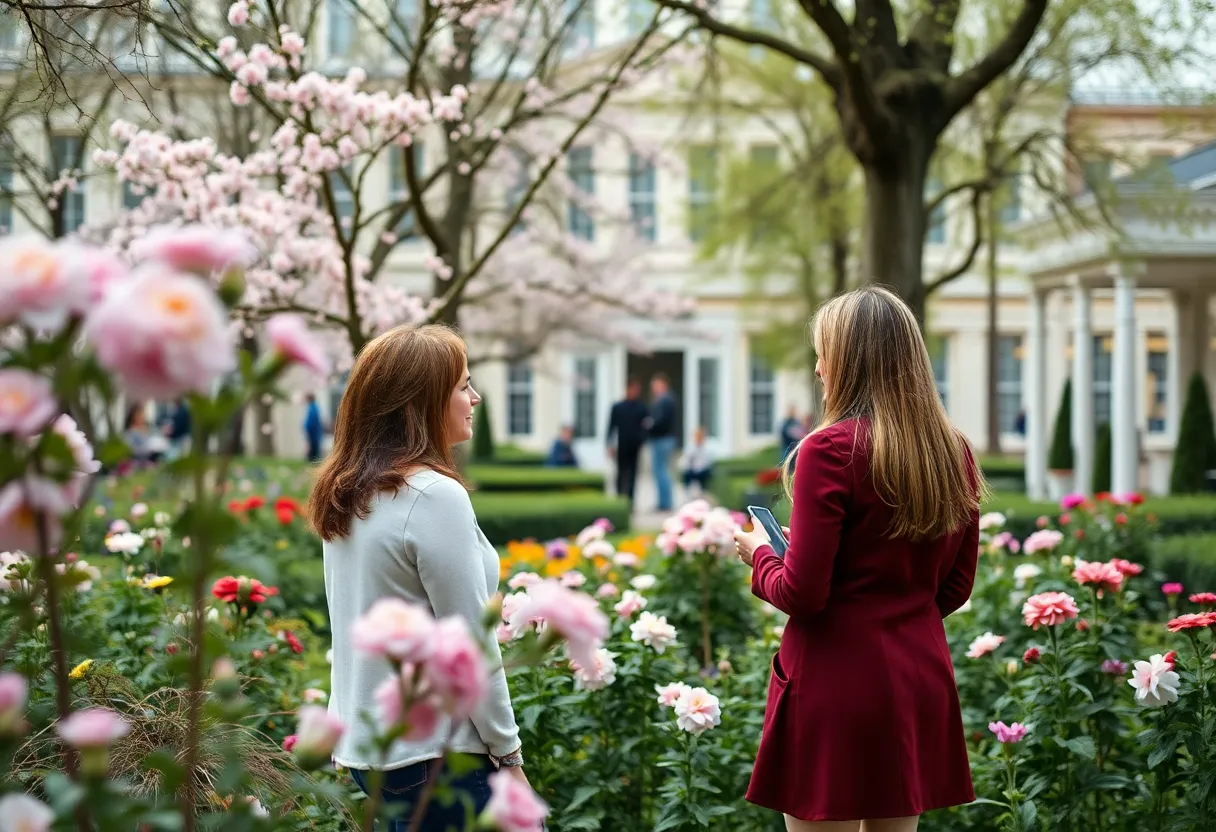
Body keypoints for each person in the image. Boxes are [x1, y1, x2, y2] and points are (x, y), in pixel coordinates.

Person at [733, 286, 982, 832]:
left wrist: (760, 555)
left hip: (833, 680)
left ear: (850, 360)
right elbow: (956, 586)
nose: (819, 367)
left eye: (825, 352)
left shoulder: (830, 449)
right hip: (916, 677)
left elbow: (803, 593)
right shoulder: (953, 451)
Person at [308, 324, 526, 831]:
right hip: (440, 753)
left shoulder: (346, 490)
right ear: (422, 401)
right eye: (462, 386)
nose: (475, 398)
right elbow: (472, 640)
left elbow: (346, 622)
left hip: (376, 751)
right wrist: (509, 753)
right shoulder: (432, 496)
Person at [606, 378, 649, 508]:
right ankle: (619, 498)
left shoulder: (641, 408)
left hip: (635, 446)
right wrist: (609, 444)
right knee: (620, 472)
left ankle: (630, 502)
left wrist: (642, 441)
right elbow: (611, 427)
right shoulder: (618, 407)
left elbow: (646, 427)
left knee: (633, 474)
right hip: (622, 445)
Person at [646, 374, 677, 512]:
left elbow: (661, 421)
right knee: (660, 471)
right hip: (663, 439)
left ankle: (665, 503)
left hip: (663, 439)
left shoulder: (665, 400)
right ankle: (663, 502)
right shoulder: (664, 399)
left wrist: (650, 425)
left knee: (661, 471)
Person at [680, 426, 714, 497]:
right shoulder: (690, 447)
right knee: (687, 474)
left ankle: (702, 492)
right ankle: (687, 493)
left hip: (702, 470)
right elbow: (686, 460)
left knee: (705, 474)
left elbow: (708, 462)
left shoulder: (708, 448)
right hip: (692, 469)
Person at [303, 392, 325, 462]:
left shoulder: (313, 408)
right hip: (313, 431)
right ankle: (313, 459)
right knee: (313, 445)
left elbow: (312, 421)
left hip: (313, 431)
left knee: (313, 446)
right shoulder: (313, 407)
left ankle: (313, 460)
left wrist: (308, 429)